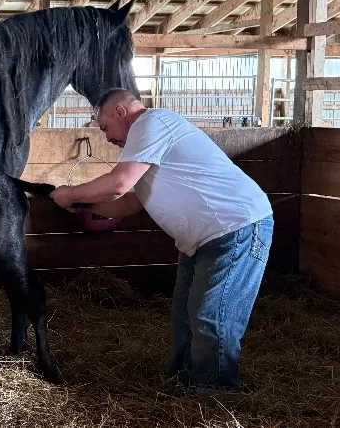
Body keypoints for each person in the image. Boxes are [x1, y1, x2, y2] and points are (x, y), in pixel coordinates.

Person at [50, 88, 274, 405]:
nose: (107, 138)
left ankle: (219, 400)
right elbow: (128, 203)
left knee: (212, 315)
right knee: (184, 313)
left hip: (234, 227)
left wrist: (71, 193)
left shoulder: (152, 122)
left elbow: (119, 184)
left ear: (120, 112)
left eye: (104, 128)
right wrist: (84, 206)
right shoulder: (144, 142)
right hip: (202, 238)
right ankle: (183, 385)